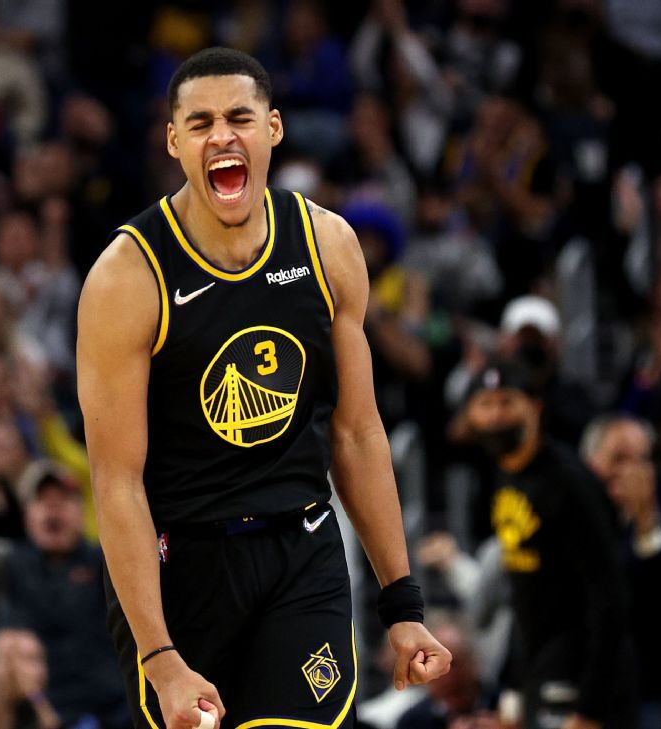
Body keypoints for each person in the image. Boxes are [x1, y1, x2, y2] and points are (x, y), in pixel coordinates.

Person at [75, 48, 451, 729]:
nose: (222, 135)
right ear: (174, 141)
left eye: (239, 117)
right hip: (182, 565)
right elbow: (117, 481)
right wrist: (160, 656)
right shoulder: (126, 277)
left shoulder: (327, 246)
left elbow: (358, 433)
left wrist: (403, 607)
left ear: (273, 129)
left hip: (299, 553)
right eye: (201, 122)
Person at [461, 358, 634, 729]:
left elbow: (610, 600)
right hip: (539, 676)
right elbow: (523, 596)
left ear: (535, 407)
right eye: (486, 405)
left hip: (583, 682)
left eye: (507, 402)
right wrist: (514, 689)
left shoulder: (570, 484)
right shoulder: (505, 476)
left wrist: (590, 707)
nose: (496, 417)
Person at [0, 465, 130, 729]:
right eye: (42, 501)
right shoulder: (10, 563)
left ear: (82, 512)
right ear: (26, 515)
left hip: (111, 708)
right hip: (42, 710)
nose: (53, 510)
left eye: (63, 501)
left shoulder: (107, 561)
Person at [581, 414, 661, 729]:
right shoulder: (569, 527)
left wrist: (645, 526)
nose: (631, 471)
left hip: (648, 691)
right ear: (589, 464)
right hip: (578, 681)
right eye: (619, 459)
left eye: (641, 460)